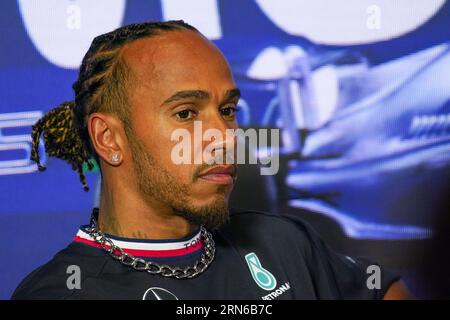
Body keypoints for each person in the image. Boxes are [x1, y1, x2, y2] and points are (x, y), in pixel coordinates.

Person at [12, 21, 412, 300]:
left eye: (228, 110)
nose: (225, 137)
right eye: (186, 113)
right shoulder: (63, 292)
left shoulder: (284, 242)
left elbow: (380, 289)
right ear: (109, 138)